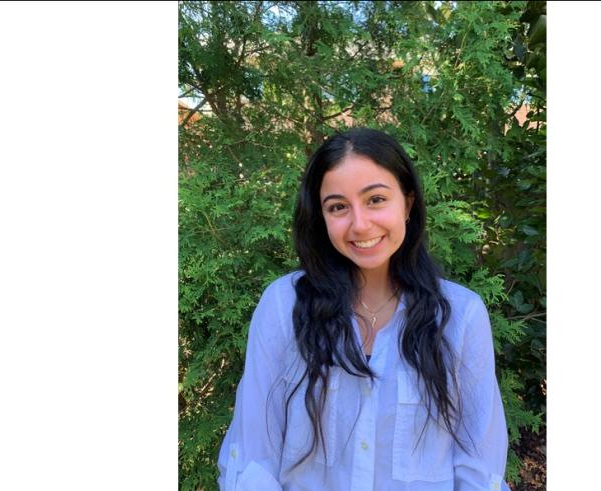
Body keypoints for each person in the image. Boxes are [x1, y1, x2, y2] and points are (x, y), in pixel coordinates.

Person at [217, 128, 510, 491]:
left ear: (408, 202)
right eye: (338, 207)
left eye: (375, 199)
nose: (359, 223)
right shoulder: (283, 305)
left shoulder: (460, 316)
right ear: (321, 218)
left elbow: (479, 465)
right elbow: (253, 457)